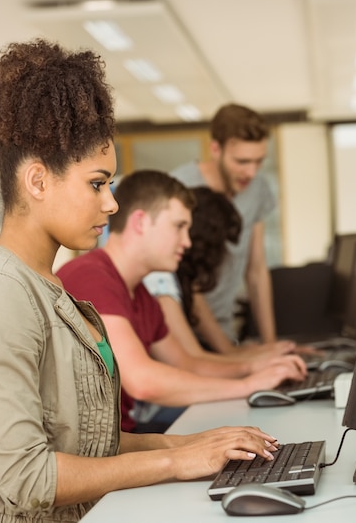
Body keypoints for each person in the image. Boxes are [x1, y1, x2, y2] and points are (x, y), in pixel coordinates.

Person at [0, 39, 279, 523]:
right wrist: (173, 460)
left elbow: (85, 442)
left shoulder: (54, 288)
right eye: (97, 184)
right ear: (37, 182)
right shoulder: (2, 291)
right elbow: (29, 477)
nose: (112, 204)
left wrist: (192, 443)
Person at [57, 170, 307, 433]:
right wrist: (247, 386)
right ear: (140, 222)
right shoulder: (91, 277)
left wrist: (253, 368)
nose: (187, 242)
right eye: (179, 226)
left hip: (123, 435)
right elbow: (142, 381)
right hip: (98, 449)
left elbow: (188, 364)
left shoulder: (140, 294)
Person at [144, 186, 295, 362]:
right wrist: (257, 363)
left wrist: (265, 353)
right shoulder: (159, 280)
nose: (185, 241)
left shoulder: (185, 282)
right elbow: (194, 361)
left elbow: (225, 351)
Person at [171, 103, 278, 351]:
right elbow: (187, 278)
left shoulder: (258, 189)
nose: (251, 172)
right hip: (184, 336)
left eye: (258, 161)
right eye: (242, 161)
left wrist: (270, 345)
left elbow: (257, 269)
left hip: (225, 330)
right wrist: (229, 353)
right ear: (215, 149)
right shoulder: (180, 187)